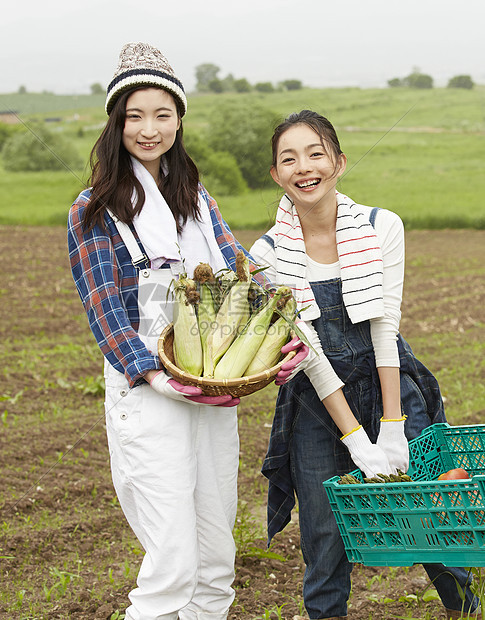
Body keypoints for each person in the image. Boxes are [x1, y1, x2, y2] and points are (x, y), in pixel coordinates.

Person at [249, 110, 480, 620]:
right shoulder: (265, 255)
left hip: (389, 380)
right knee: (325, 540)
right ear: (275, 174)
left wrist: (392, 425)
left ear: (339, 163)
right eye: (289, 158)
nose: (304, 167)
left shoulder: (379, 226)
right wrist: (354, 437)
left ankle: (468, 610)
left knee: (431, 520)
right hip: (316, 401)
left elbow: (384, 327)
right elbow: (306, 351)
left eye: (316, 154)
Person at [67, 42, 269, 620]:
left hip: (211, 389)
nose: (149, 129)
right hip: (149, 392)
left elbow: (240, 274)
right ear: (116, 123)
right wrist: (156, 375)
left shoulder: (197, 201)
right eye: (134, 116)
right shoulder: (96, 209)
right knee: (173, 562)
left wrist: (273, 336)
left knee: (215, 556)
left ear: (179, 119)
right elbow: (105, 310)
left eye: (162, 114)